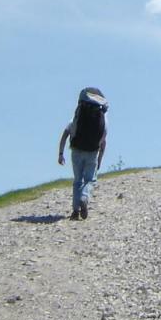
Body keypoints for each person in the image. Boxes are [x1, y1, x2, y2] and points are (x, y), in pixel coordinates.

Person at [57, 87, 107, 220]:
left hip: (76, 151)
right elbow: (103, 143)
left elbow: (65, 135)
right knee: (90, 180)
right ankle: (85, 198)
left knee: (77, 181)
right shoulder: (103, 121)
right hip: (92, 152)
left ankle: (75, 211)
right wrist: (100, 160)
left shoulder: (75, 120)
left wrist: (61, 153)